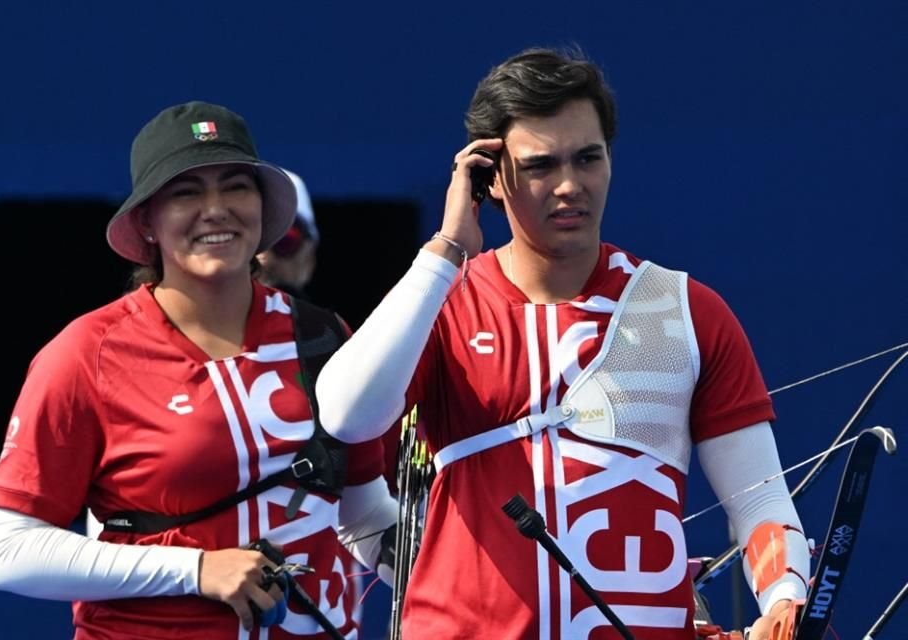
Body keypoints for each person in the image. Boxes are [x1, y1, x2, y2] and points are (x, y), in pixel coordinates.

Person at [316, 48, 809, 639]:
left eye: (588, 158)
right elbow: (346, 416)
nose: (570, 185)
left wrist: (784, 596)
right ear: (489, 178)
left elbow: (759, 502)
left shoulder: (688, 309)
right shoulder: (438, 304)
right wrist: (448, 246)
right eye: (541, 165)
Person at [0, 101, 396, 639]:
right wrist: (197, 570)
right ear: (147, 223)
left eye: (235, 187)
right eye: (186, 193)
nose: (215, 209)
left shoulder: (322, 334)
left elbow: (363, 516)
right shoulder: (86, 353)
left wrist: (476, 576)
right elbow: (11, 552)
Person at [254, 169, 320, 298]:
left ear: (309, 260)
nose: (264, 261)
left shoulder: (328, 319)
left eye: (284, 241)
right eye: (254, 244)